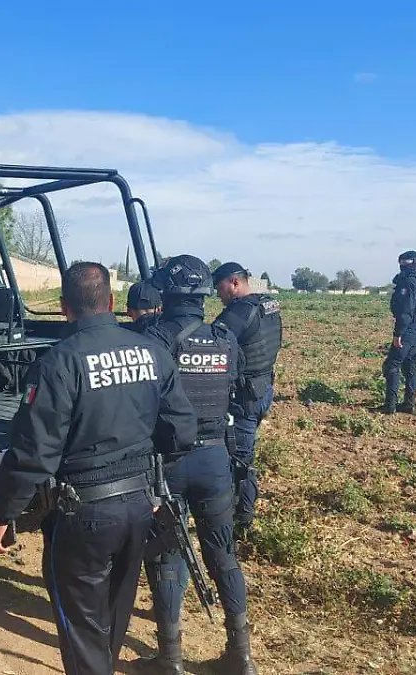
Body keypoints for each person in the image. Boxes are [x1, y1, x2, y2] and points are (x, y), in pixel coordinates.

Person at [0, 262, 197, 675]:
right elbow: (181, 431)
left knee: (82, 631)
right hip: (140, 508)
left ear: (64, 307)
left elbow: (32, 453)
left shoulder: (57, 364)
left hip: (83, 515)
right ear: (113, 302)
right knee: (113, 618)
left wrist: (0, 516)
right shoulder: (153, 353)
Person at [138, 255, 258, 675]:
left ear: (165, 294)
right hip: (216, 460)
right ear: (206, 294)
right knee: (224, 553)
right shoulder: (226, 338)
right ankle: (240, 657)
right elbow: (239, 396)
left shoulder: (152, 339)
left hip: (167, 465)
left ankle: (169, 660)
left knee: (167, 556)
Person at [212, 262, 282, 536]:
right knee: (244, 453)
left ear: (234, 283)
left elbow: (215, 340)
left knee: (239, 459)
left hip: (245, 395)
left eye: (220, 289)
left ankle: (241, 521)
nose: (219, 296)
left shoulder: (239, 311)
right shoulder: (268, 305)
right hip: (263, 387)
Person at [382, 250, 416, 414]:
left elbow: (406, 311)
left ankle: (390, 407)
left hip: (410, 326)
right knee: (410, 363)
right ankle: (408, 404)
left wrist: (398, 334)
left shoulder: (409, 282)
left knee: (392, 364)